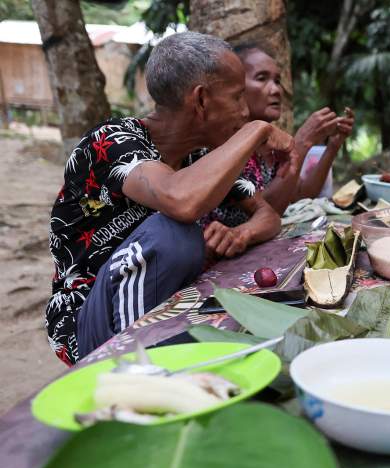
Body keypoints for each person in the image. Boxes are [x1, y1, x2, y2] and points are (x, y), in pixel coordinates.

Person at [46, 32, 294, 365]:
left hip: (159, 306)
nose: (244, 110)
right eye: (237, 98)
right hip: (91, 323)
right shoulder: (112, 141)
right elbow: (180, 200)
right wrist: (255, 130)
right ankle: (139, 366)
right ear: (201, 100)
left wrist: (241, 234)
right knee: (173, 234)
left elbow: (268, 216)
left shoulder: (198, 158)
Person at [208, 42, 354, 224]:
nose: (276, 90)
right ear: (237, 87)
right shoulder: (225, 143)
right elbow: (265, 213)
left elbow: (300, 194)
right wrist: (302, 142)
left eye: (277, 81)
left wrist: (333, 146)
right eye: (262, 78)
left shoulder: (271, 143)